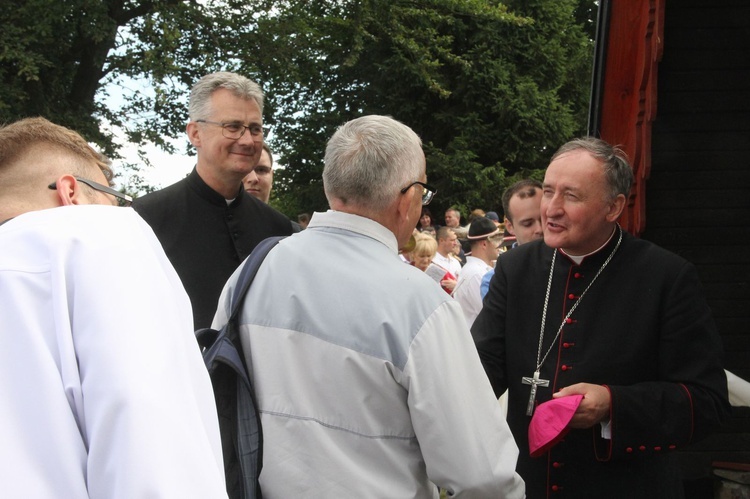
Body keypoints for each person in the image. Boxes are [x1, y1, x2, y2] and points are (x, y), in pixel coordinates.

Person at [213, 115, 525, 498]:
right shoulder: (420, 304)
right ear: (407, 199)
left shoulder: (254, 270)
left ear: (331, 188)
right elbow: (481, 473)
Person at [471, 137, 730, 498]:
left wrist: (613, 404)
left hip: (625, 487)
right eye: (548, 192)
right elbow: (479, 368)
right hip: (529, 484)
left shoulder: (666, 277)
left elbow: (707, 400)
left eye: (571, 196)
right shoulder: (516, 268)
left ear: (613, 207)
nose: (552, 209)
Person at [0, 117, 227, 497]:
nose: (118, 207)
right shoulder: (96, 236)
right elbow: (143, 431)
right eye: (111, 196)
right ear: (71, 191)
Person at [132, 71, 295, 329]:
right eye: (233, 127)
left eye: (255, 129)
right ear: (195, 133)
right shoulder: (144, 220)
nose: (247, 140)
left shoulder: (281, 230)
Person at [480, 179, 544, 298]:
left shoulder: (573, 262)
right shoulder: (494, 280)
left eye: (545, 219)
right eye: (528, 224)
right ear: (510, 226)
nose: (539, 229)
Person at [452, 216, 501, 328]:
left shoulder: (477, 270)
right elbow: (491, 315)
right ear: (484, 244)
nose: (500, 245)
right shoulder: (476, 274)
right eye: (496, 240)